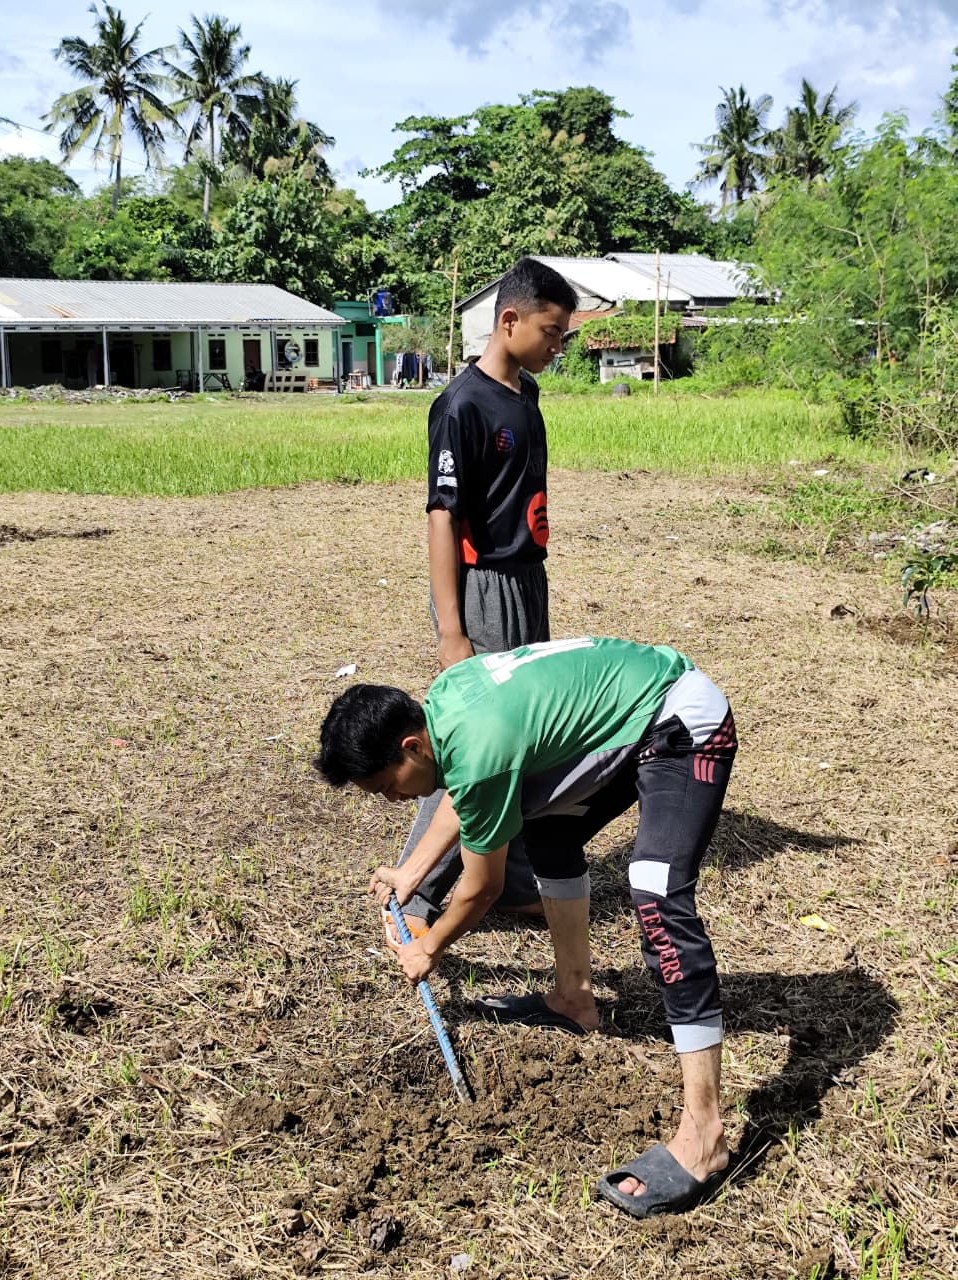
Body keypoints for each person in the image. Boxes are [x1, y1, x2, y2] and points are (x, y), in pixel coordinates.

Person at [316, 636, 738, 1220]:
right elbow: (463, 790)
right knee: (551, 831)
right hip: (635, 714)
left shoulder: (478, 747)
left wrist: (428, 947)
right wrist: (411, 871)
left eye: (387, 787)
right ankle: (572, 997)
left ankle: (705, 1134)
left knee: (657, 890)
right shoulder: (446, 704)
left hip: (679, 719)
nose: (392, 800)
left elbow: (482, 888)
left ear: (410, 746)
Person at [397, 257, 578, 937]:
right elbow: (442, 515)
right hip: (484, 588)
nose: (559, 347)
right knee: (475, 742)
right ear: (509, 321)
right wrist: (452, 628)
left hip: (528, 578)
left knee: (526, 733)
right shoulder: (460, 405)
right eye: (551, 332)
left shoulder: (525, 394)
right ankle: (414, 899)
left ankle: (514, 880)